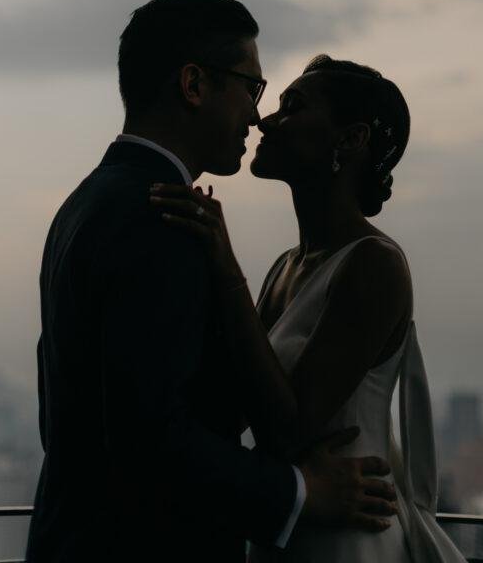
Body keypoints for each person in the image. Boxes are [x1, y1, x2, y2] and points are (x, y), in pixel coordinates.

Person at [25, 0, 399, 563]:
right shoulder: (160, 216)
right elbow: (153, 439)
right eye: (252, 89)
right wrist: (301, 492)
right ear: (195, 85)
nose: (258, 115)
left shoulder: (91, 201)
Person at [152, 54, 466, 562]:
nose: (265, 120)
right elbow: (241, 401)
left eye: (292, 107)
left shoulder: (374, 266)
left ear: (350, 139)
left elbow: (286, 429)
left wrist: (225, 267)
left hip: (346, 536)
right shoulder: (284, 267)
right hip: (290, 527)